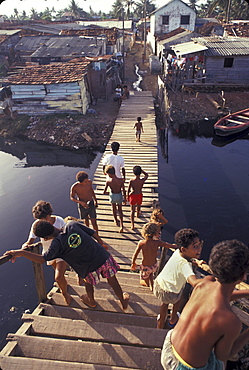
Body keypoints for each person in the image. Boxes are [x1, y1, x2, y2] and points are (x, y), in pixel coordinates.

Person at [161, 239, 249, 370]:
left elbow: (221, 297)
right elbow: (224, 355)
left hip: (168, 349)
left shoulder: (203, 283)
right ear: (243, 276)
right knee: (220, 365)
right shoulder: (231, 321)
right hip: (185, 368)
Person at [5, 220, 130, 311]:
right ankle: (123, 302)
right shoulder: (72, 224)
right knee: (112, 279)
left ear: (46, 238)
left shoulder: (56, 245)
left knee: (88, 282)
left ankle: (91, 301)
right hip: (101, 256)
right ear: (51, 225)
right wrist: (101, 243)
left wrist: (21, 252)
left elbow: (42, 259)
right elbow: (92, 233)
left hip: (87, 268)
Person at [21, 200, 71, 305]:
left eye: (45, 218)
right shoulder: (37, 224)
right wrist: (26, 245)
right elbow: (31, 240)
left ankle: (64, 292)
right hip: (48, 252)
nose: (43, 221)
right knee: (59, 275)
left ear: (50, 214)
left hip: (61, 251)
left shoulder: (59, 221)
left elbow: (67, 234)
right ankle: (64, 284)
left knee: (58, 276)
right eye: (40, 219)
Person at [154, 228, 204, 329]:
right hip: (170, 291)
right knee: (174, 301)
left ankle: (162, 323)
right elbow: (194, 282)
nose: (199, 248)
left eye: (200, 244)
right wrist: (209, 280)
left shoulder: (178, 252)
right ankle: (170, 320)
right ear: (184, 249)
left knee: (167, 303)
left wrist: (196, 262)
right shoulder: (185, 265)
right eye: (195, 246)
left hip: (160, 283)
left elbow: (188, 259)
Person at [131, 222, 176, 291]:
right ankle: (152, 285)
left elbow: (135, 254)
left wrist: (133, 263)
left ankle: (148, 284)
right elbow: (169, 245)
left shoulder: (142, 243)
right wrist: (177, 246)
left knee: (145, 279)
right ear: (155, 234)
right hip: (154, 265)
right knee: (151, 274)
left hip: (145, 266)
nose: (159, 234)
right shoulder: (157, 242)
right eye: (159, 233)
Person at [103, 165, 126, 233]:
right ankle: (122, 225)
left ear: (109, 174)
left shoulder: (108, 182)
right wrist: (125, 198)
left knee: (113, 208)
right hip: (119, 195)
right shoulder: (121, 180)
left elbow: (104, 192)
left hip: (112, 195)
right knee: (120, 210)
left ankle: (116, 220)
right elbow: (124, 190)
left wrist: (109, 193)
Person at [127, 166, 148, 230]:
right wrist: (142, 171)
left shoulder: (132, 181)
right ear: (140, 173)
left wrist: (127, 196)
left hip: (133, 195)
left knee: (132, 210)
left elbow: (128, 189)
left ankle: (132, 224)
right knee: (139, 206)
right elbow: (147, 175)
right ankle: (138, 214)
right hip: (139, 194)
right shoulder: (142, 180)